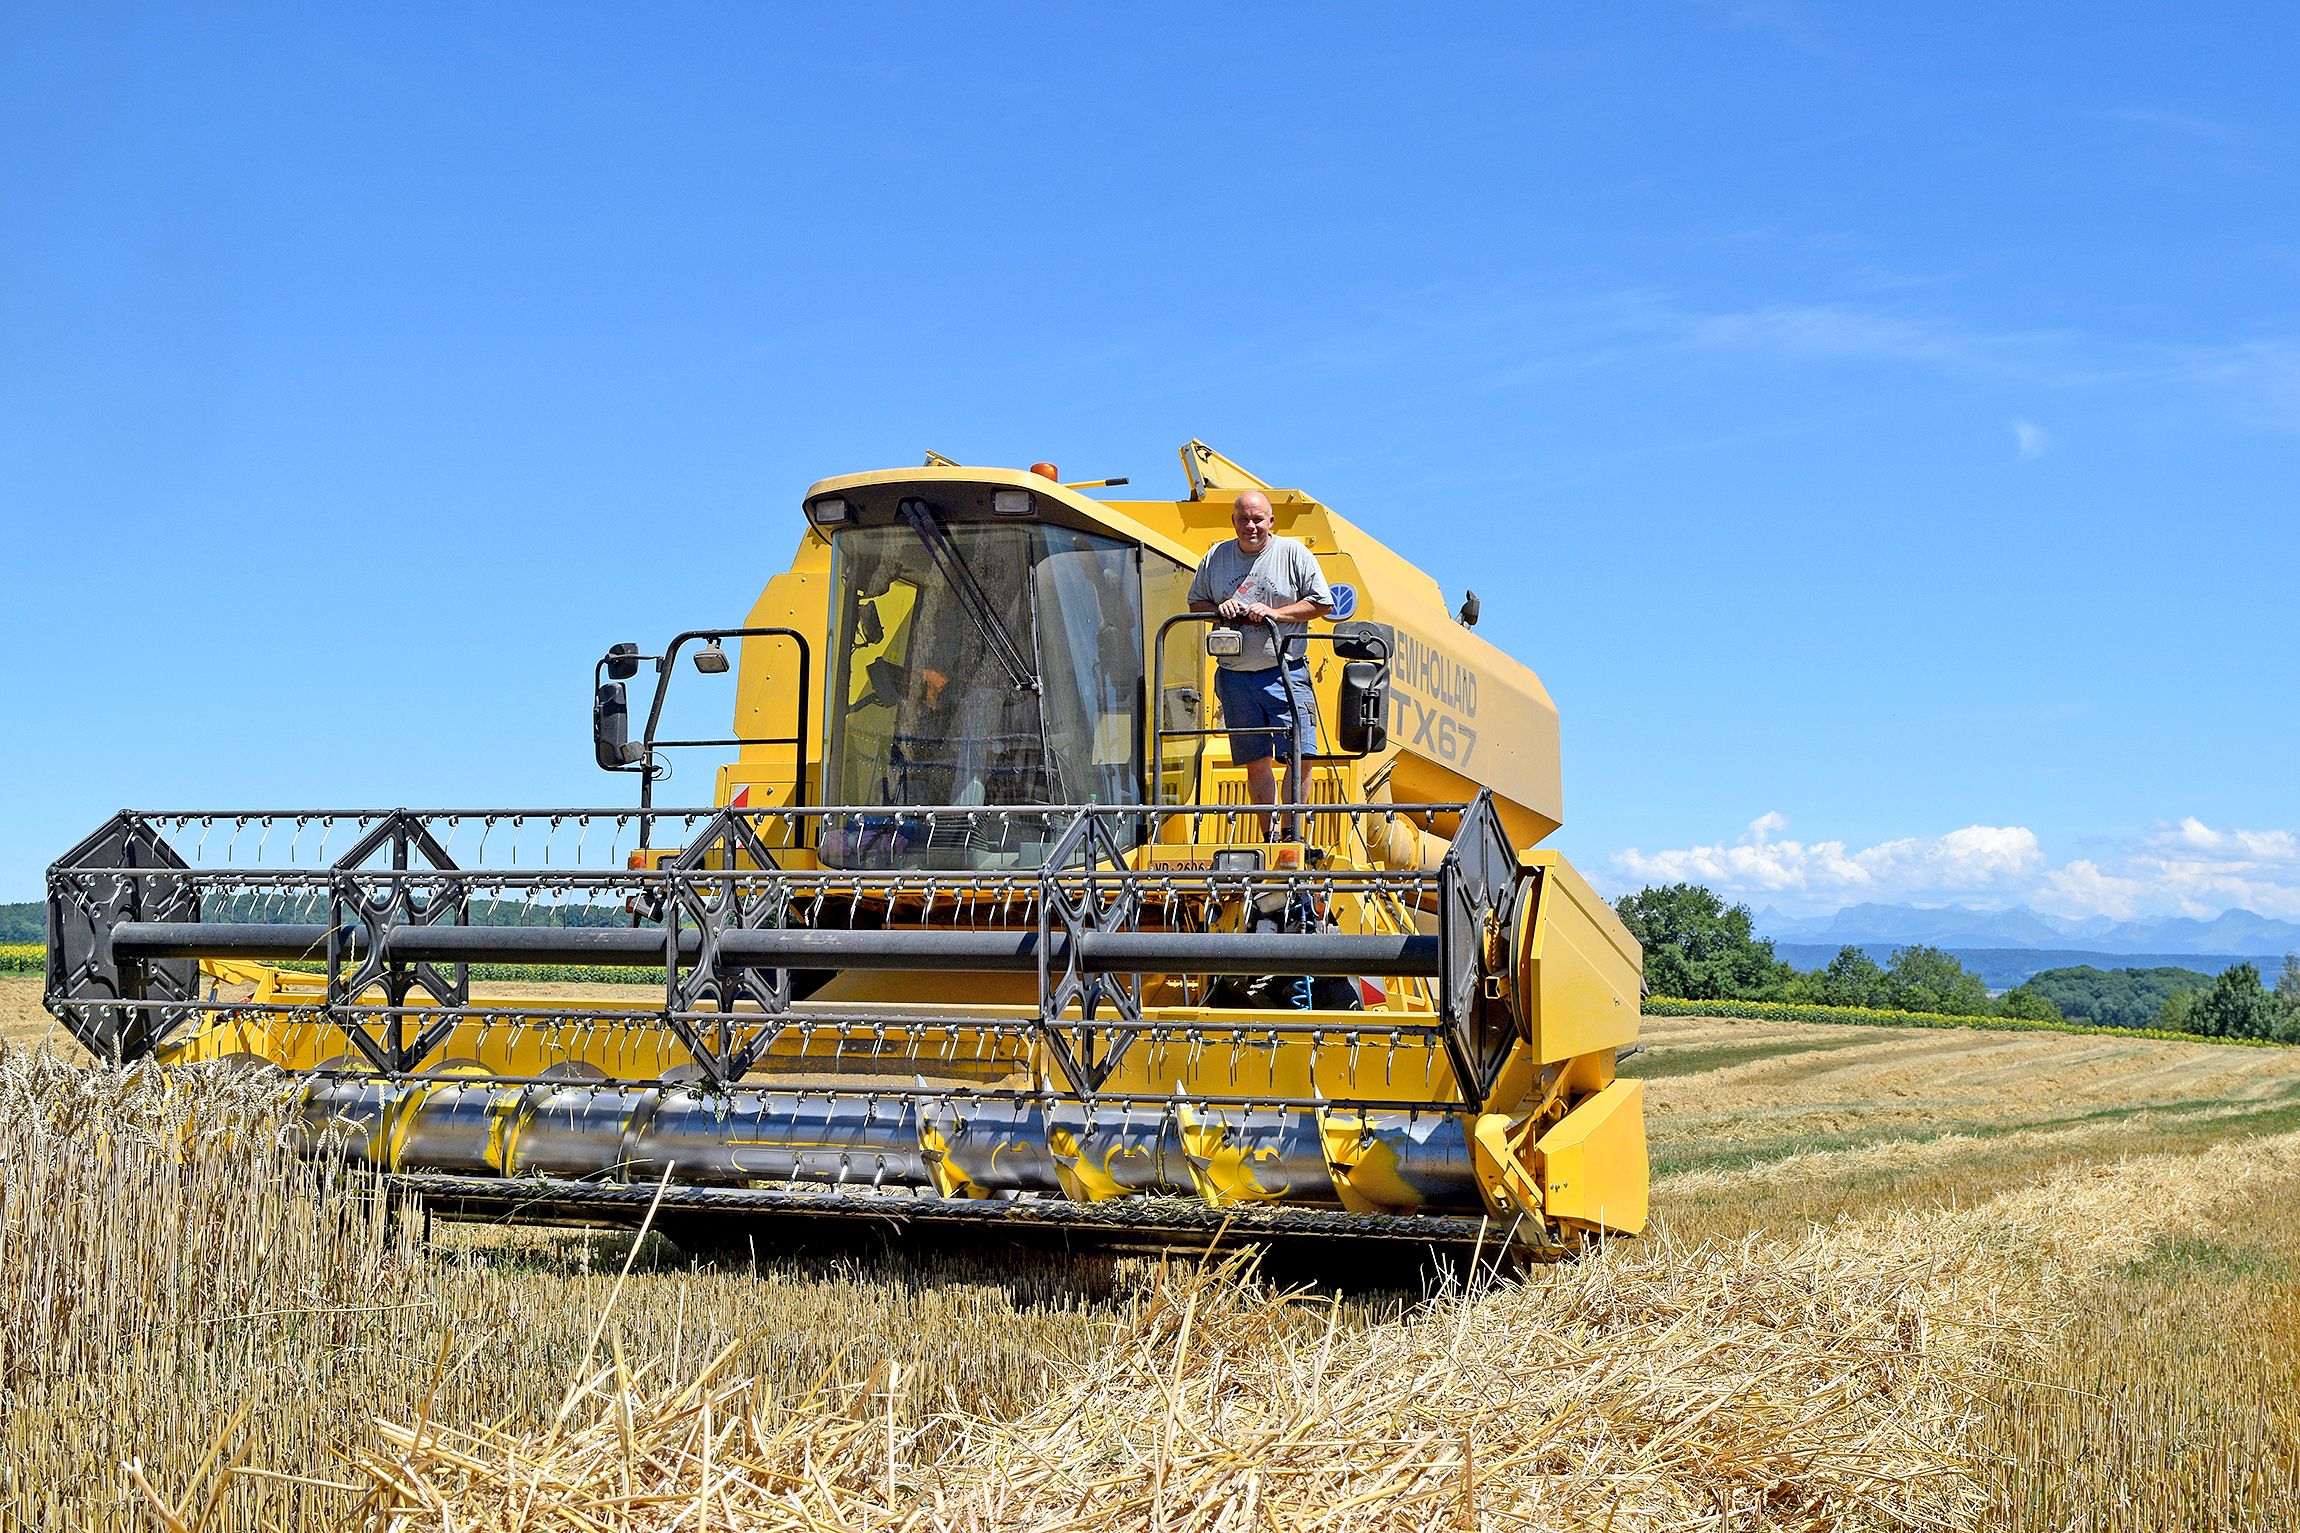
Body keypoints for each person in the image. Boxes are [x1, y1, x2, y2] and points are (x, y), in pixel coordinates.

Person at [1187, 489, 1331, 835]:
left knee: (1299, 756)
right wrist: (1218, 609)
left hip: (1286, 672)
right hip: (1235, 677)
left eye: (1257, 519)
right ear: (1233, 521)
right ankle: (1268, 836)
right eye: (1243, 519)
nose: (1250, 526)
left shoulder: (1293, 553)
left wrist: (1275, 613)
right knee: (1256, 762)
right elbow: (1195, 604)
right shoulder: (1216, 557)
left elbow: (1323, 604)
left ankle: (1290, 837)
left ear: (1271, 521)